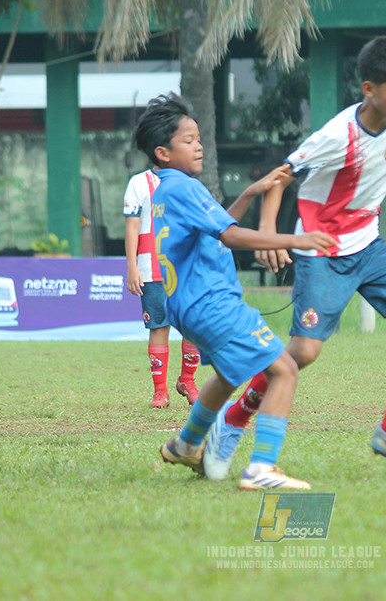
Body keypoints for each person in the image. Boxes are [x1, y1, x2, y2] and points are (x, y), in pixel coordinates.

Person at [201, 36, 386, 481]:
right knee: (303, 352)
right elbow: (279, 178)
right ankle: (233, 419)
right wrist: (269, 233)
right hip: (322, 250)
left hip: (368, 245)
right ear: (369, 89)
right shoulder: (336, 135)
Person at [134, 92, 337, 490]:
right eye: (188, 140)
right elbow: (230, 235)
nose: (198, 146)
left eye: (198, 139)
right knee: (284, 369)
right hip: (214, 305)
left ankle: (186, 444)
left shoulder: (165, 191)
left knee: (227, 375)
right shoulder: (185, 188)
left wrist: (248, 193)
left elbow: (215, 231)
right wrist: (294, 240)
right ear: (163, 152)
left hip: (188, 309)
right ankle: (261, 468)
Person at [124, 166, 201, 408]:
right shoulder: (138, 183)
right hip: (151, 266)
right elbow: (132, 226)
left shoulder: (188, 182)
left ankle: (187, 380)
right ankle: (160, 392)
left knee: (192, 326)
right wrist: (132, 266)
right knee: (158, 327)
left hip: (185, 266)